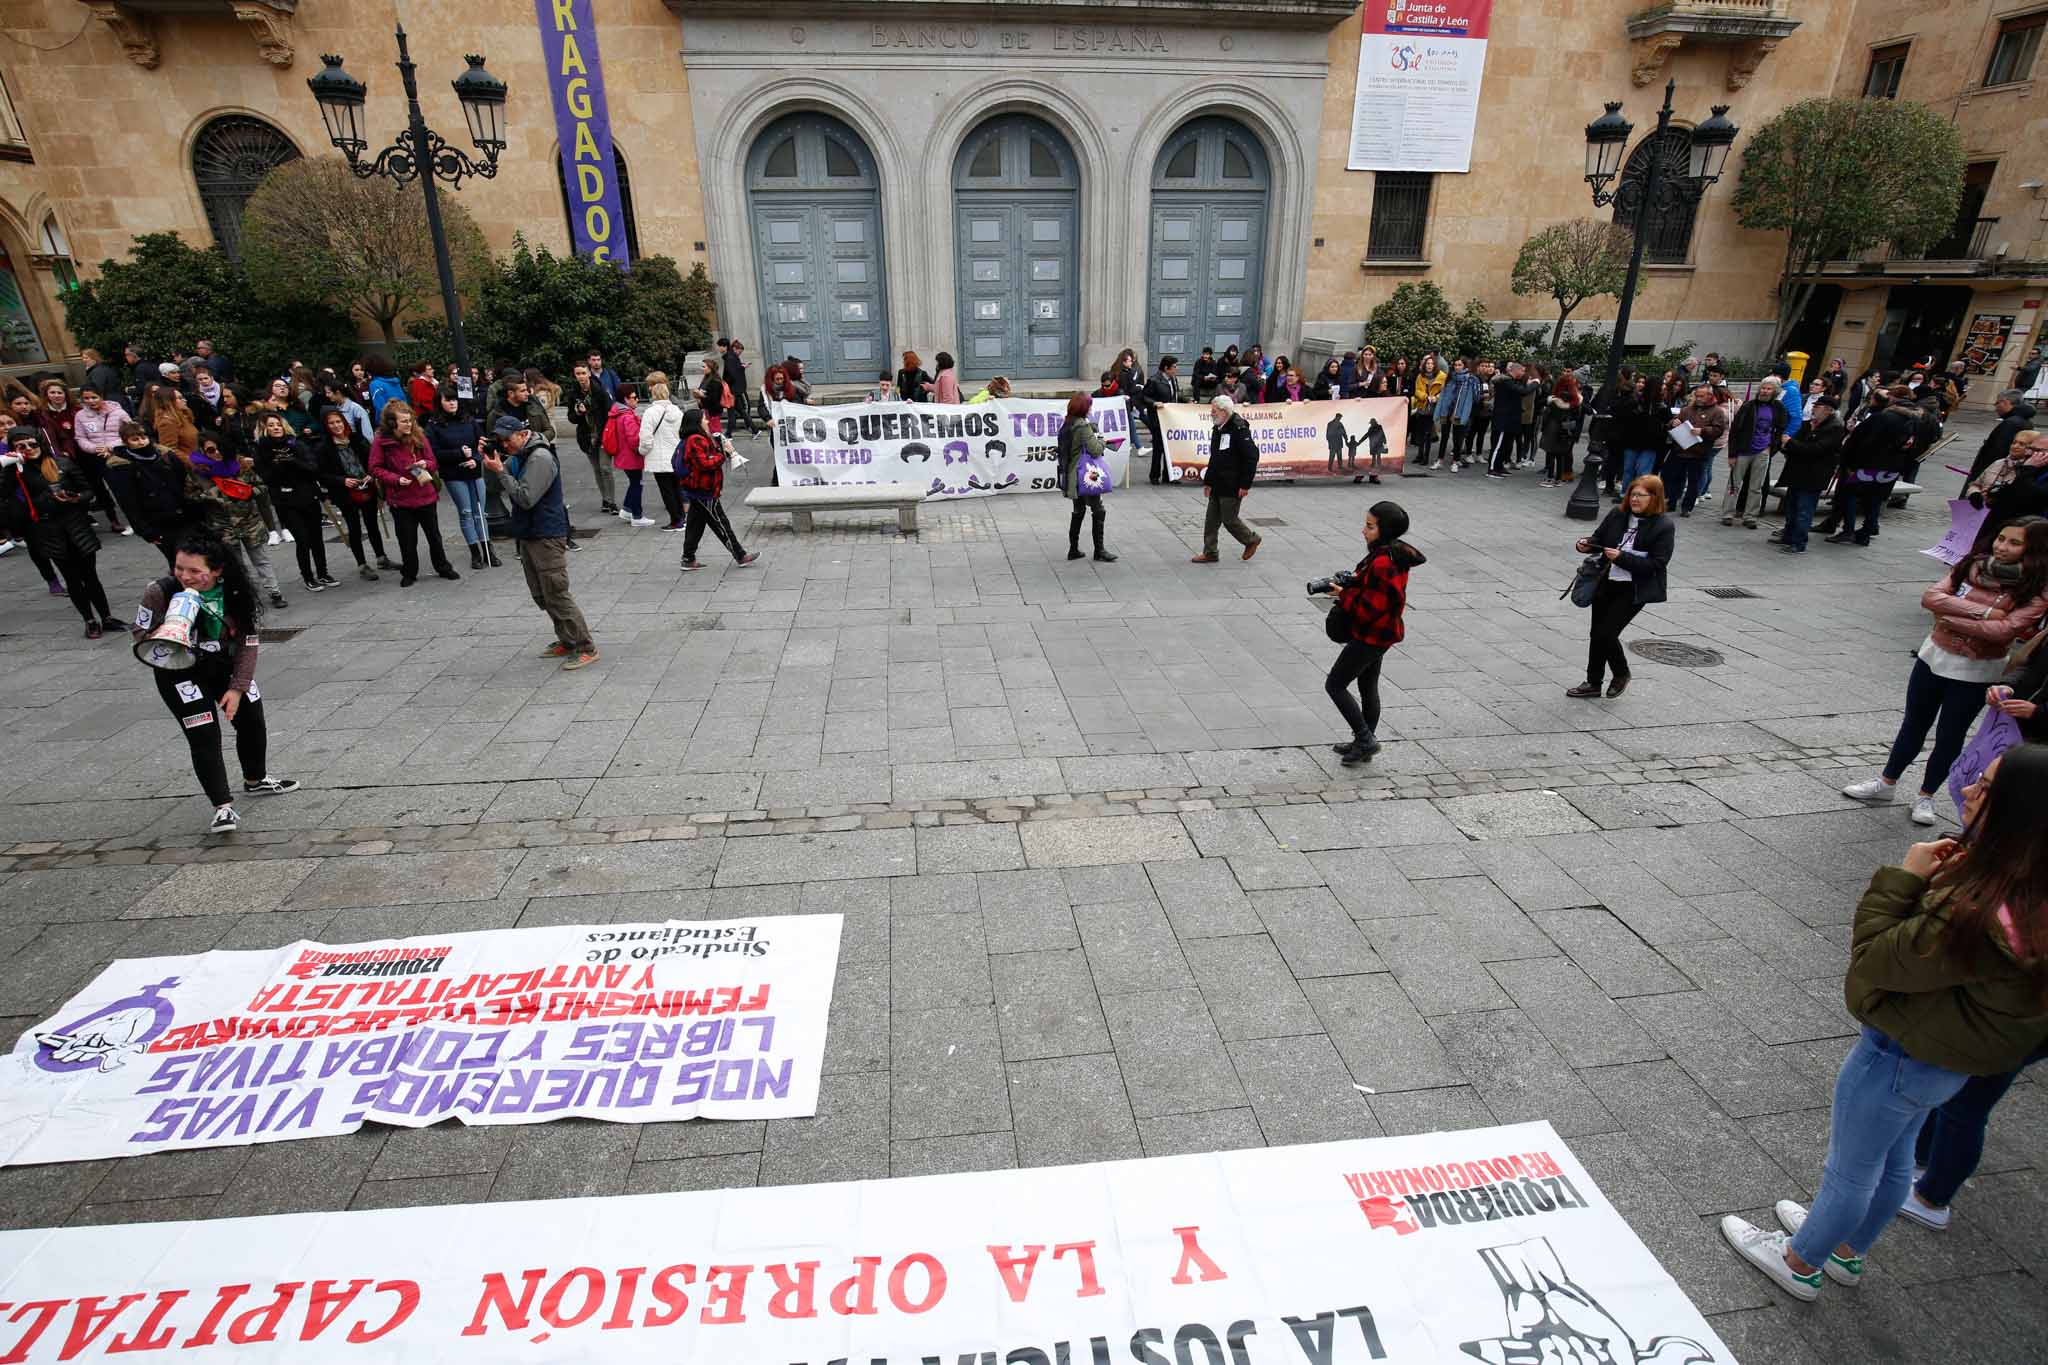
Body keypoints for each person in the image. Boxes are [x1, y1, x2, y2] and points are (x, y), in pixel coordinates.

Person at [1719, 747, 2048, 1302]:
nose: (1968, 788)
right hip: (1943, 1063)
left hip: (1899, 1052)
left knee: (1850, 1171)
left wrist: (1904, 877)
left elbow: (1877, 960)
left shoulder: (1974, 910)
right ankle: (1847, 1251)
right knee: (1894, 1160)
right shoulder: (2028, 892)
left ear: (2017, 812)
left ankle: (1800, 1261)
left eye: (1986, 788)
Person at [1841, 518, 2048, 824]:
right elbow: (1932, 598)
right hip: (1934, 656)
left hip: (1978, 669)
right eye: (2001, 539)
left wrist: (1950, 617)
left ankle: (1926, 796)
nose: (2002, 547)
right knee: (1913, 724)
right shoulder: (1972, 565)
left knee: (1950, 735)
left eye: (2015, 543)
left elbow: (2005, 631)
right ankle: (1886, 782)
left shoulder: (2036, 589)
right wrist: (1987, 612)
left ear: (2033, 550)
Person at [131, 537, 299, 835]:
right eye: (179, 568)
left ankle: (255, 779)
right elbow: (139, 632)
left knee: (252, 719)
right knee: (204, 734)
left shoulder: (236, 592)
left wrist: (237, 688)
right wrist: (166, 629)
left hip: (224, 664)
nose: (185, 576)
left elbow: (248, 642)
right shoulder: (159, 591)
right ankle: (222, 806)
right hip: (178, 670)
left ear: (218, 570)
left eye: (195, 571)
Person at [482, 414, 597, 669]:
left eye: (506, 439)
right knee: (542, 594)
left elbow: (525, 497)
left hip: (546, 533)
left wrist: (501, 471)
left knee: (556, 592)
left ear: (522, 434)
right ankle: (566, 640)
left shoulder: (540, 458)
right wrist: (489, 461)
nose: (504, 445)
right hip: (529, 532)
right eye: (499, 440)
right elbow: (494, 486)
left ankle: (585, 646)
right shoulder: (521, 455)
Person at [1319, 501, 1425, 765]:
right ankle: (1363, 743)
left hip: (1372, 634)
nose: (1363, 531)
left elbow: (1372, 606)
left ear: (1385, 530)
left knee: (1335, 685)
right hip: (1382, 632)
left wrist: (1344, 595)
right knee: (1368, 686)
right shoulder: (1390, 555)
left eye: (1370, 526)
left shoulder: (1383, 562)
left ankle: (1365, 739)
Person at [1568, 475, 1674, 700]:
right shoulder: (1618, 514)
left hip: (1633, 589)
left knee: (1606, 633)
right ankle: (1593, 682)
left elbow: (1656, 564)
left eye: (1641, 495)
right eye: (1632, 494)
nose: (1634, 499)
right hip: (1606, 581)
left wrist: (1622, 558)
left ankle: (1621, 673)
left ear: (1654, 498)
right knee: (1597, 634)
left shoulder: (1663, 525)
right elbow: (1599, 538)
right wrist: (1585, 544)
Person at [4, 426, 115, 637]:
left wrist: (75, 498)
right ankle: (89, 620)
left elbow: (88, 491)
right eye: (21, 446)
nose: (29, 449)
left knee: (90, 576)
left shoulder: (62, 463)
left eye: (32, 444)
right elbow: (5, 494)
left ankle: (107, 617)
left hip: (75, 525)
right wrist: (10, 466)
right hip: (48, 530)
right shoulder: (18, 471)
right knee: (72, 579)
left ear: (41, 444)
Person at [187, 428, 286, 610]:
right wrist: (209, 496)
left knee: (261, 559)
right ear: (202, 451)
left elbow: (261, 486)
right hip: (223, 526)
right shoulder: (198, 473)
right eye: (210, 450)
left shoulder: (239, 465)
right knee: (236, 565)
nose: (217, 453)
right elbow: (190, 496)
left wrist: (248, 492)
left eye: (219, 449)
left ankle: (274, 592)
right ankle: (248, 597)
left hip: (250, 522)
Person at [370, 401, 459, 587]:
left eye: (410, 420)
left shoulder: (418, 435)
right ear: (392, 423)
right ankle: (409, 572)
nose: (408, 425)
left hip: (425, 494)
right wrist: (395, 479)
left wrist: (426, 464)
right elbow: (375, 468)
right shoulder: (381, 441)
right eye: (403, 421)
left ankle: (442, 566)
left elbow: (433, 461)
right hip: (400, 499)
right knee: (407, 539)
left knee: (434, 536)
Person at [251, 413, 334, 593]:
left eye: (278, 424)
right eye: (271, 425)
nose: (276, 427)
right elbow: (266, 477)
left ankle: (323, 572)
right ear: (265, 429)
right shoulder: (262, 450)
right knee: (302, 539)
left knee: (316, 538)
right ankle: (308, 577)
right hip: (286, 500)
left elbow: (313, 468)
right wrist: (278, 465)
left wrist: (293, 461)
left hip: (308, 495)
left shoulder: (296, 444)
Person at [1828, 386, 1916, 546]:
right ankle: (1866, 531)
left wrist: (1851, 463)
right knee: (1874, 499)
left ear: (1895, 398)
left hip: (1869, 465)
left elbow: (1865, 442)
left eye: (1890, 395)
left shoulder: (1884, 417)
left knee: (1850, 495)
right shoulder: (1912, 419)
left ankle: (1848, 530)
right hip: (1891, 467)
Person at [675, 407, 758, 572]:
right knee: (721, 523)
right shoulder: (695, 439)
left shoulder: (695, 438)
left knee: (694, 525)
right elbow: (704, 464)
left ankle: (688, 558)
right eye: (703, 419)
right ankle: (740, 555)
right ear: (696, 423)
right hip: (703, 490)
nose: (707, 421)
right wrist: (724, 454)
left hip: (697, 490)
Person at [311, 407, 389, 580]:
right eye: (331, 423)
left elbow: (372, 459)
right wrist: (342, 481)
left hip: (366, 486)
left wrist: (371, 473)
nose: (336, 426)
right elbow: (321, 474)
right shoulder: (323, 447)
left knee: (372, 523)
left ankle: (381, 557)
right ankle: (362, 565)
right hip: (345, 493)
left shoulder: (356, 438)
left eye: (338, 421)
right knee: (354, 527)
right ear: (326, 426)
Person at [103, 421, 194, 568]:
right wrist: (144, 530)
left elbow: (185, 483)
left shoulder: (165, 455)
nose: (141, 442)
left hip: (184, 516)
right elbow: (128, 501)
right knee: (178, 561)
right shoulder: (121, 466)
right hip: (158, 521)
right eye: (135, 439)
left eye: (142, 437)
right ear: (126, 442)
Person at [426, 385, 494, 568]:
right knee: (466, 512)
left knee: (480, 513)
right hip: (454, 474)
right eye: (448, 400)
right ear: (440, 403)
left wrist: (476, 458)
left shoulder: (468, 420)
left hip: (473, 471)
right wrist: (458, 454)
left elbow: (482, 443)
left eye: (454, 399)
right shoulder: (434, 426)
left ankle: (488, 550)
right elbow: (434, 453)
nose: (452, 403)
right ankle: (475, 553)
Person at [1191, 395, 1261, 564]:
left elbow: (1252, 457)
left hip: (1232, 483)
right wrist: (1208, 481)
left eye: (1213, 411)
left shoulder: (1239, 429)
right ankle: (1210, 552)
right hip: (1217, 482)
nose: (1211, 413)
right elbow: (1215, 457)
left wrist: (1245, 484)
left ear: (1224, 411)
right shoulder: (1218, 428)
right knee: (1211, 521)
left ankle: (1251, 539)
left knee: (1230, 520)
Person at [1773, 395, 1845, 552]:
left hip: (1813, 475)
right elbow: (1796, 443)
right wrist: (1786, 445)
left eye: (1817, 407)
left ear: (1828, 410)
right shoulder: (1808, 424)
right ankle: (1788, 536)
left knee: (1804, 511)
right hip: (1797, 472)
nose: (1813, 409)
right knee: (1792, 507)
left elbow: (1816, 449)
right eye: (1814, 406)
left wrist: (1790, 443)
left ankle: (1798, 543)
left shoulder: (1834, 428)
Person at [1056, 391, 1117, 564]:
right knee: (1098, 509)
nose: (1091, 408)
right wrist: (1103, 440)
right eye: (1089, 405)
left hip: (1072, 475)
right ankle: (1100, 550)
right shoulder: (1083, 426)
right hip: (1085, 475)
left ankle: (1073, 549)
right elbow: (1096, 449)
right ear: (1084, 407)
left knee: (1078, 511)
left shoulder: (1068, 423)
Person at [1720, 377, 1783, 529]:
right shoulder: (1749, 406)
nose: (1765, 391)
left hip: (1763, 450)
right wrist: (1732, 454)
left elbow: (1780, 428)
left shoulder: (1778, 408)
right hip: (1743, 450)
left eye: (1769, 389)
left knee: (1756, 486)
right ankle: (1727, 513)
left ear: (1774, 392)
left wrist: (1771, 448)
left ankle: (1750, 516)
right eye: (1763, 388)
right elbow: (1735, 430)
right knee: (1734, 483)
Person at [1662, 383, 1728, 513]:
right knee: (1674, 478)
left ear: (1709, 396)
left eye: (1701, 396)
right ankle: (1671, 502)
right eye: (1696, 396)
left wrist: (1703, 431)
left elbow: (1718, 430)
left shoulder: (1717, 411)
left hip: (1699, 451)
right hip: (1680, 449)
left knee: (1694, 481)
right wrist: (1673, 423)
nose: (1698, 398)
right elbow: (1672, 423)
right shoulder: (1686, 409)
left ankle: (1687, 507)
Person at [566, 362, 619, 515]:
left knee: (605, 468)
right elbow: (571, 418)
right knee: (597, 469)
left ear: (589, 373)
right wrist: (578, 412)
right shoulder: (573, 394)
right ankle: (605, 499)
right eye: (578, 374)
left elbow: (610, 412)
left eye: (583, 373)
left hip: (603, 434)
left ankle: (612, 501)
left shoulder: (600, 390)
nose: (581, 377)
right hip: (586, 437)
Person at [638, 373, 686, 531]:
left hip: (658, 458)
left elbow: (645, 438)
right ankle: (682, 518)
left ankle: (675, 520)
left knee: (666, 491)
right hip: (675, 456)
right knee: (677, 488)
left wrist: (642, 451)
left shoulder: (650, 413)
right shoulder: (677, 411)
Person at [1964, 390, 2034, 492]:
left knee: (1972, 504)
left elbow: (1997, 452)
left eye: (1997, 403)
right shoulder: (2025, 421)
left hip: (1994, 474)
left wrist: (1982, 478)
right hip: (2005, 472)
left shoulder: (2011, 423)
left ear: (2005, 402)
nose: (1995, 406)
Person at [603, 382, 652, 527]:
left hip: (623, 456)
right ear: (626, 399)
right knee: (637, 484)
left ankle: (627, 509)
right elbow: (634, 439)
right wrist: (642, 447)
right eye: (634, 397)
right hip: (631, 457)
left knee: (634, 483)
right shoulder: (627, 416)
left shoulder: (617, 413)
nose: (636, 400)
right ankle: (637, 516)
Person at [1486, 362, 1534, 479]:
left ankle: (1499, 467)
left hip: (1510, 420)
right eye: (1522, 371)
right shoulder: (1505, 382)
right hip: (1503, 420)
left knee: (1505, 446)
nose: (1523, 373)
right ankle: (1492, 469)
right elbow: (1523, 391)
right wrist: (1535, 384)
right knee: (1498, 445)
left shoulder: (1512, 382)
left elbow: (1520, 392)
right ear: (1515, 371)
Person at [1538, 372, 1583, 486]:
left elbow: (1548, 413)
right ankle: (1559, 479)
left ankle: (1550, 478)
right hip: (1566, 430)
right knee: (1560, 455)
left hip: (1553, 429)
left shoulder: (1555, 400)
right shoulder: (1576, 401)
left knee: (1551, 453)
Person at [1434, 358, 1479, 470]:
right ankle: (1440, 460)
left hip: (1460, 411)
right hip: (1447, 410)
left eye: (1459, 365)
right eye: (1455, 365)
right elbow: (1443, 394)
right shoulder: (1449, 378)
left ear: (1465, 366)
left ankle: (1455, 461)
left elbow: (1476, 397)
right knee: (1444, 436)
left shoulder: (1470, 379)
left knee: (1457, 437)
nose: (1457, 367)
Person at [1143, 358, 1178, 484]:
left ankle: (1168, 476)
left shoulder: (1173, 379)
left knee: (1170, 448)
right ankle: (1154, 475)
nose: (1176, 369)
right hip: (1157, 419)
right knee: (1158, 448)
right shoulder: (1153, 380)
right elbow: (1144, 396)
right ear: (1166, 368)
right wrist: (1154, 403)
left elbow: (1174, 396)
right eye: (1174, 366)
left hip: (1171, 419)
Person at [1413, 355, 1446, 469]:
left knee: (1428, 433)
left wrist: (1435, 398)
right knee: (1420, 433)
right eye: (1427, 363)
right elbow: (1417, 391)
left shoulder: (1442, 376)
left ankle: (1426, 457)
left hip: (1434, 407)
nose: (1429, 366)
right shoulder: (1420, 376)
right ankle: (1419, 454)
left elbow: (1445, 392)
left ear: (1435, 365)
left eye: (1432, 363)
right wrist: (1426, 396)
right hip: (1422, 406)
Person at [722, 339, 759, 437]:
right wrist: (742, 367)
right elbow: (733, 373)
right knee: (739, 411)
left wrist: (741, 367)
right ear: (735, 349)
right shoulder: (731, 358)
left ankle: (729, 434)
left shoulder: (731, 357)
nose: (739, 354)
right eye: (739, 351)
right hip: (734, 389)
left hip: (733, 390)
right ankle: (754, 430)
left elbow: (732, 372)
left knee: (735, 411)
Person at [363, 354, 405, 421]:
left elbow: (380, 407)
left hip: (387, 422)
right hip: (402, 418)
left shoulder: (375, 384)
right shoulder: (395, 381)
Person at [697, 356, 728, 436]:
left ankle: (720, 447)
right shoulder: (706, 379)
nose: (702, 368)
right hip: (706, 410)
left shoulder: (715, 381)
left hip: (713, 411)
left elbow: (714, 399)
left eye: (704, 367)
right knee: (709, 432)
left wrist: (701, 395)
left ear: (710, 368)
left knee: (715, 432)